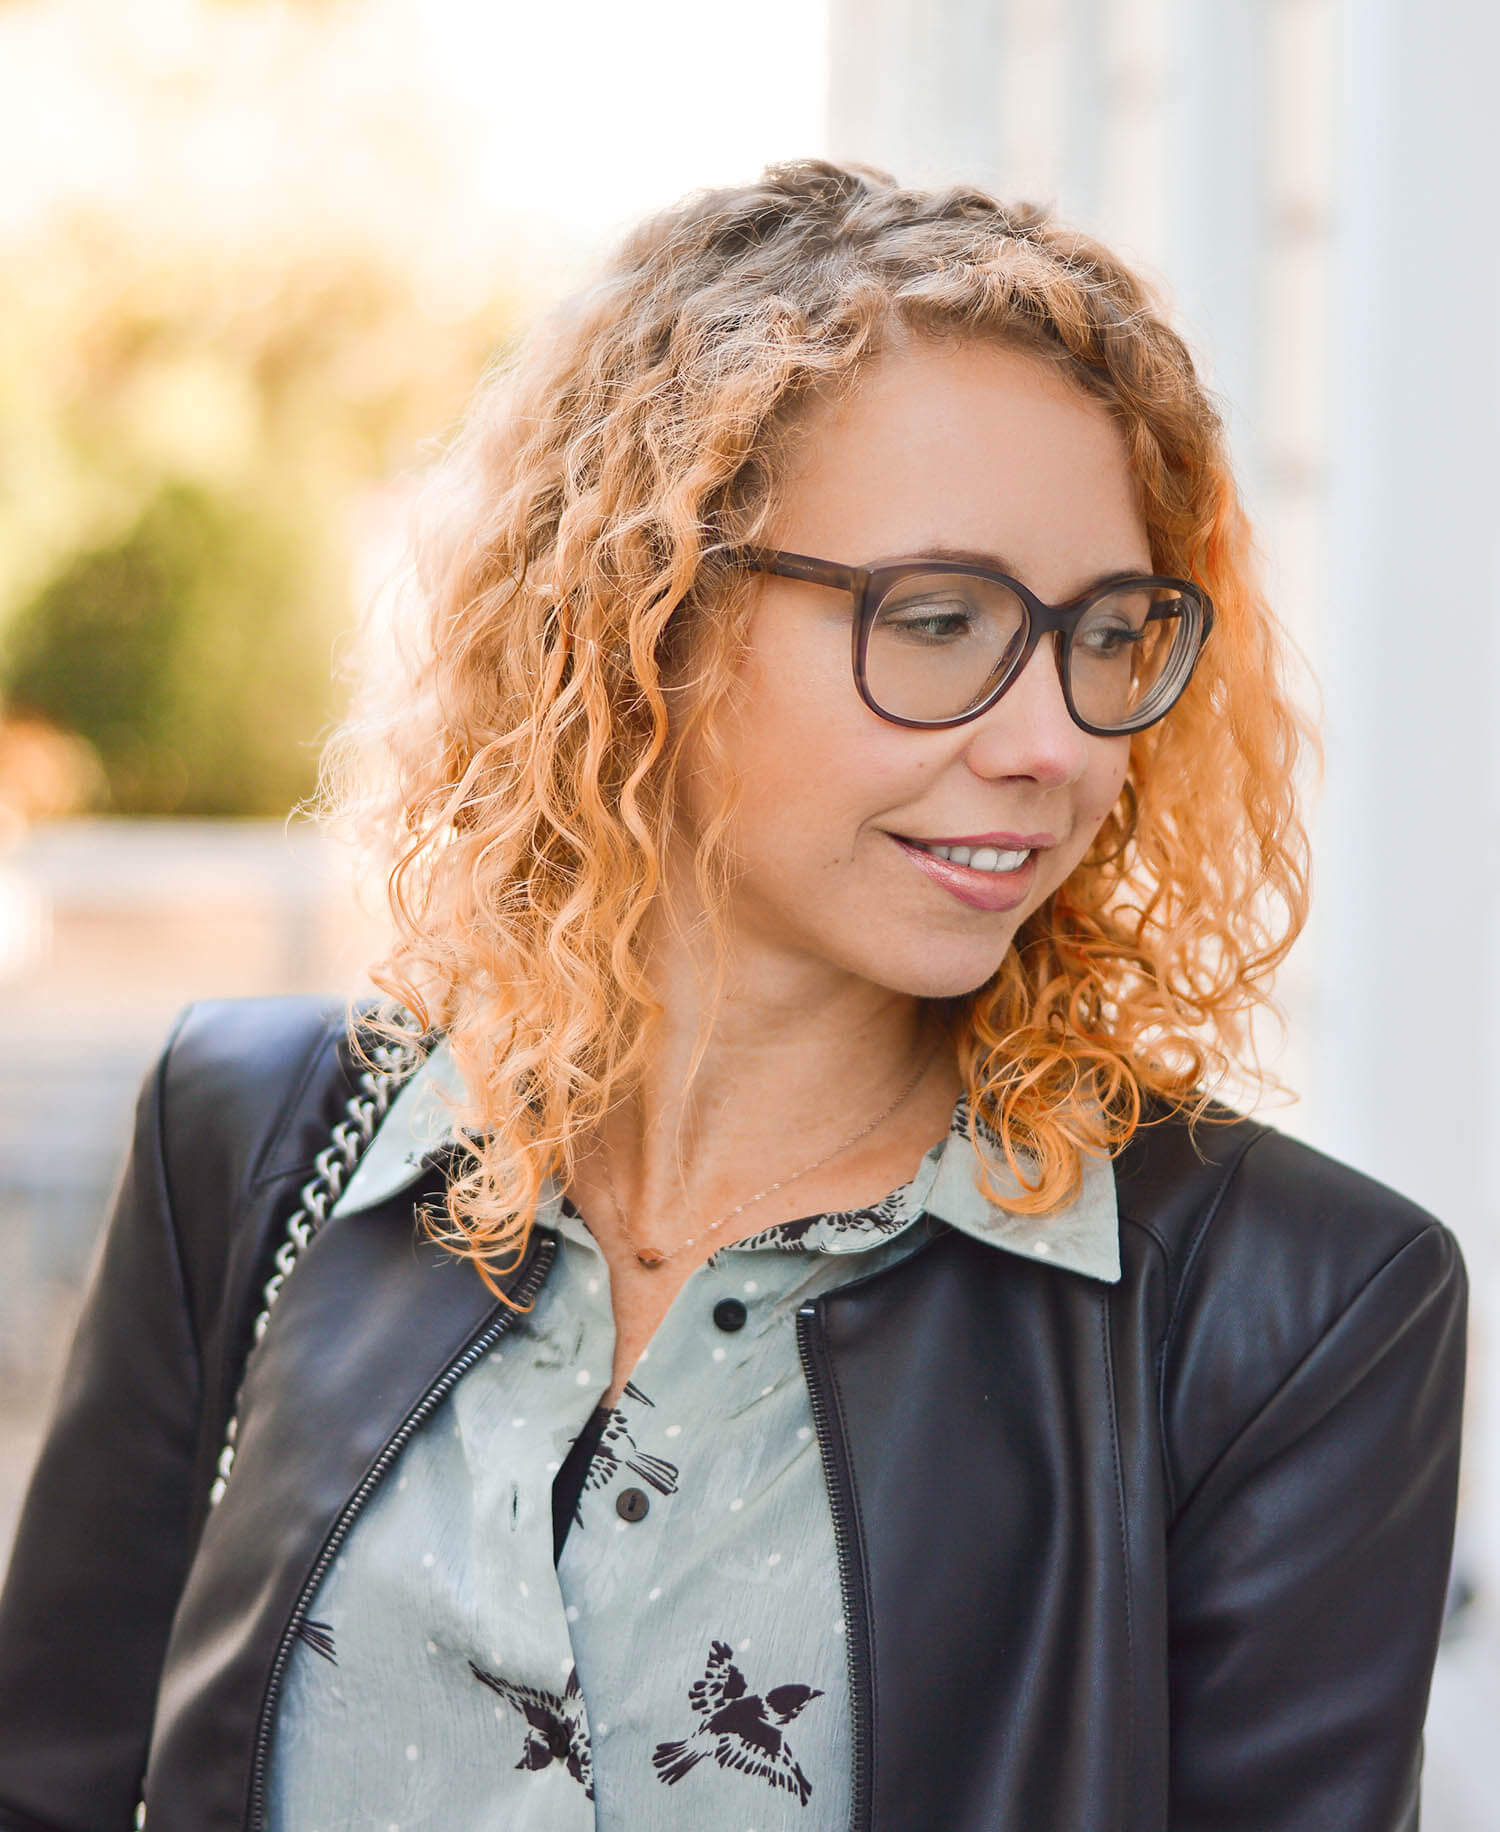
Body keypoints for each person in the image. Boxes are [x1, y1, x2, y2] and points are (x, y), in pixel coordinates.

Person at [0, 161, 1467, 1832]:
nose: (1054, 740)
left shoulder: (1296, 1317)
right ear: (650, 617)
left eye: (1107, 633)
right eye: (939, 620)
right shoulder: (257, 1143)